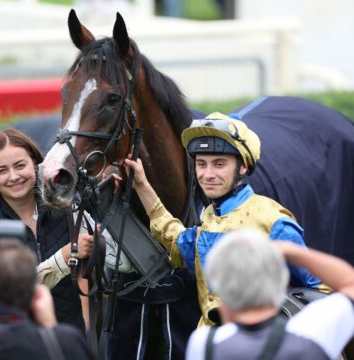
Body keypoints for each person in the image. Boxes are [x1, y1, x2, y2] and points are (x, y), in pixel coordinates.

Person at [123, 112, 321, 326]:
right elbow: (177, 242)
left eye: (219, 164)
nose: (207, 174)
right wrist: (142, 185)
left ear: (243, 166)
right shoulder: (208, 219)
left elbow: (317, 292)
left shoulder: (273, 220)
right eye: (201, 164)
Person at [0, 128, 93, 331]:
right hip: (18, 341)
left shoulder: (66, 206)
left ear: (36, 164)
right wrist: (64, 258)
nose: (13, 176)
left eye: (20, 166)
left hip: (71, 336)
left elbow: (103, 256)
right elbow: (6, 294)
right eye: (2, 170)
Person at [186, 228, 354, 360]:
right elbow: (350, 283)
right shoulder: (314, 332)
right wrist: (292, 251)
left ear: (220, 291)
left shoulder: (203, 344)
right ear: (280, 283)